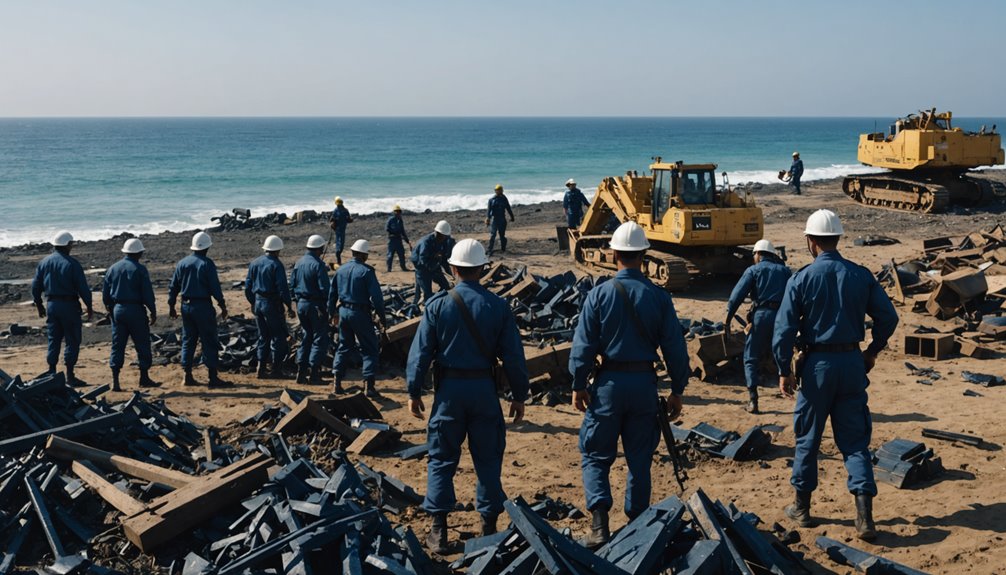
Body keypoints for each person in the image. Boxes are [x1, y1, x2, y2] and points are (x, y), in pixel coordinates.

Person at [773, 209, 898, 541]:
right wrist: (872, 351)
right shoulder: (860, 275)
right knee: (855, 442)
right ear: (838, 239)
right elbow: (889, 318)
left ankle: (801, 508)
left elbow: (783, 331)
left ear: (811, 242)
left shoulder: (800, 279)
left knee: (808, 439)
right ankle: (864, 519)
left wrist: (784, 370)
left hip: (816, 368)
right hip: (852, 364)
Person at [569, 221, 690, 547]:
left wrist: (579, 383)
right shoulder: (659, 297)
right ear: (644, 255)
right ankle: (637, 524)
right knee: (639, 458)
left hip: (607, 384)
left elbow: (583, 347)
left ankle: (599, 525)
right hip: (643, 386)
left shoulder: (599, 295)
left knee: (595, 455)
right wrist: (678, 389)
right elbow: (675, 347)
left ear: (614, 253)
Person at [406, 238, 529, 554]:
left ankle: (439, 530)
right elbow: (513, 357)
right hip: (484, 392)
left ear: (452, 268)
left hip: (448, 393)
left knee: (441, 457)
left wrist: (414, 390)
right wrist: (519, 395)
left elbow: (420, 353)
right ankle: (488, 526)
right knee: (488, 458)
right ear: (483, 269)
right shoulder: (498, 307)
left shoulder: (438, 305)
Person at [725, 239, 791, 414]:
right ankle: (789, 383)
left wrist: (729, 317)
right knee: (784, 351)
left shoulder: (753, 270)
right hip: (782, 316)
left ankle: (753, 400)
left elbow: (736, 296)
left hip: (761, 316)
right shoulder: (785, 271)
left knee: (751, 356)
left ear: (758, 254)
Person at [31, 231, 94, 386]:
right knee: (72, 340)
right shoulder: (72, 264)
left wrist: (39, 304)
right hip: (69, 305)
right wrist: (89, 306)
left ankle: (51, 370)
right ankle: (70, 375)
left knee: (54, 339)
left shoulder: (44, 262)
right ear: (68, 245)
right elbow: (83, 288)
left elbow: (36, 285)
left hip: (51, 305)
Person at [167, 231, 230, 387]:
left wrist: (171, 306)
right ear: (206, 247)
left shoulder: (182, 263)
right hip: (202, 306)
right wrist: (222, 305)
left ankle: (187, 375)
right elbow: (215, 288)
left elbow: (173, 286)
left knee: (188, 340)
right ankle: (212, 378)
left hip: (186, 306)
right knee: (209, 340)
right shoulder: (207, 264)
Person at [329, 239, 386, 397]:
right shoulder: (367, 271)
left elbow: (332, 294)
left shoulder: (341, 270)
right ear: (363, 254)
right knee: (369, 348)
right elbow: (377, 298)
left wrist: (332, 313)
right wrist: (382, 317)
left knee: (343, 346)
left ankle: (336, 383)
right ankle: (369, 385)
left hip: (344, 312)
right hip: (360, 313)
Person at [102, 238, 158, 391]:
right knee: (142, 344)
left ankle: (116, 381)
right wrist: (153, 311)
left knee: (117, 345)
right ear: (139, 253)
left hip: (118, 310)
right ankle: (144, 377)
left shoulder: (113, 268)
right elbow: (147, 293)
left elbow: (105, 295)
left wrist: (110, 310)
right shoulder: (140, 269)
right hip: (135, 310)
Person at [245, 235, 295, 380]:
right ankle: (276, 369)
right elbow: (282, 288)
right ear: (278, 250)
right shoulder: (276, 265)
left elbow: (248, 286)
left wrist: (252, 302)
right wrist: (289, 306)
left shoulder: (254, 263)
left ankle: (260, 369)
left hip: (258, 302)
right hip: (271, 304)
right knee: (278, 336)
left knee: (263, 336)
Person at [290, 234, 331, 385]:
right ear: (320, 248)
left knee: (306, 336)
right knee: (319, 338)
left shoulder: (299, 263)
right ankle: (314, 374)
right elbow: (324, 289)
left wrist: (296, 301)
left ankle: (301, 373)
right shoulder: (318, 265)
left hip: (301, 305)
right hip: (315, 306)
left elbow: (292, 285)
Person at [411, 221, 452, 305]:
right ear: (437, 233)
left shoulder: (444, 241)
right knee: (427, 293)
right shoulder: (426, 242)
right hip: (422, 268)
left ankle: (440, 302)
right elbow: (423, 259)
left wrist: (450, 273)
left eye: (445, 236)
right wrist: (432, 266)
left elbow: (444, 259)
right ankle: (426, 307)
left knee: (446, 287)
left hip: (433, 265)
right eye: (442, 236)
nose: (443, 238)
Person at [485, 184, 515, 255]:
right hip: (494, 219)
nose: (499, 191)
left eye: (500, 190)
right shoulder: (491, 200)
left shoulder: (504, 199)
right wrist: (488, 218)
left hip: (502, 219)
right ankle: (490, 249)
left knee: (502, 235)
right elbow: (489, 210)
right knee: (492, 235)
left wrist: (512, 217)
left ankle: (503, 249)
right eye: (498, 190)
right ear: (495, 191)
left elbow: (508, 208)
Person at [386, 205, 412, 272]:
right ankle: (389, 269)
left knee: (401, 254)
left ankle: (403, 267)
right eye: (396, 211)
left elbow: (402, 231)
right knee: (390, 255)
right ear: (394, 212)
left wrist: (407, 241)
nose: (398, 213)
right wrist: (393, 233)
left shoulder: (400, 220)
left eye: (399, 211)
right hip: (392, 240)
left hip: (398, 240)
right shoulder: (390, 220)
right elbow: (387, 229)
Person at [328, 196, 353, 265]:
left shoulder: (338, 210)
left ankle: (338, 257)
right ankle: (338, 257)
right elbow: (349, 219)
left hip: (340, 230)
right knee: (340, 244)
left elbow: (332, 219)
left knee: (339, 244)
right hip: (339, 230)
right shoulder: (344, 210)